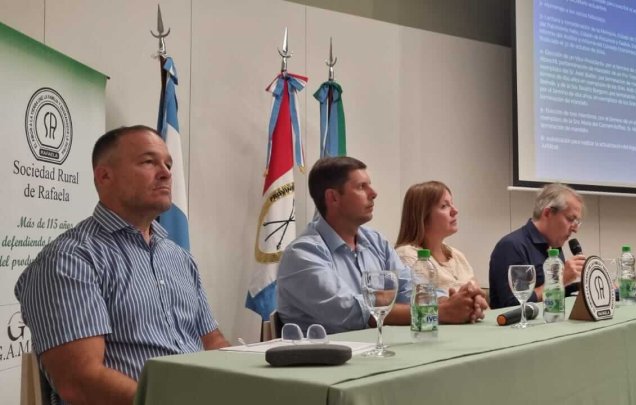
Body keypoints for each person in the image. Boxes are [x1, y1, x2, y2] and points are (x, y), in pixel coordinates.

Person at [15, 125, 229, 405]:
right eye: (148, 162)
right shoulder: (71, 259)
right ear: (104, 176)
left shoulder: (179, 258)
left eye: (168, 164)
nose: (166, 173)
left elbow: (211, 341)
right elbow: (82, 383)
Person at [277, 157, 487, 334]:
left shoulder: (375, 242)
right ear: (333, 198)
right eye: (361, 187)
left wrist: (460, 302)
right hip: (321, 367)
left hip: (380, 351)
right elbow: (351, 313)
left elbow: (410, 290)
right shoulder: (303, 254)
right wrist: (439, 311)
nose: (374, 193)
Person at [488, 183, 586, 308]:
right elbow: (514, 303)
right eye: (570, 219)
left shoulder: (554, 247)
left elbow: (552, 295)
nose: (575, 229)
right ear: (547, 213)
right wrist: (559, 280)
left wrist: (587, 286)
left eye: (577, 222)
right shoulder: (513, 246)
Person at [395, 181, 483, 297]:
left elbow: (480, 299)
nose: (455, 211)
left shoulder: (457, 255)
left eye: (452, 203)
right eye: (444, 206)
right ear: (422, 216)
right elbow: (422, 304)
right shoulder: (407, 256)